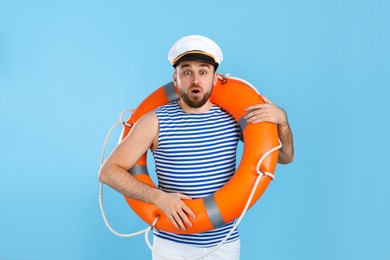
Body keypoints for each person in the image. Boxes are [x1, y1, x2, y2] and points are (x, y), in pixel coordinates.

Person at [99, 35, 294, 259]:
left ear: (214, 78)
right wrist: (158, 197)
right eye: (186, 71)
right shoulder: (154, 121)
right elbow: (108, 172)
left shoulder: (233, 119)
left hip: (224, 244)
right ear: (175, 78)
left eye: (203, 71)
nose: (195, 80)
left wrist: (283, 122)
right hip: (172, 247)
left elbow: (285, 157)